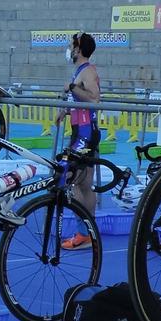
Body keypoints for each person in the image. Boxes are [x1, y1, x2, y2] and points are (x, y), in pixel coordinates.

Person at [57, 32, 101, 248]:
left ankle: (83, 233)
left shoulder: (88, 71)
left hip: (85, 133)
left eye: (70, 45)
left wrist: (72, 88)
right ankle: (88, 232)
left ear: (78, 49)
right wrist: (66, 110)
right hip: (82, 130)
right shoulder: (81, 71)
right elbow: (83, 102)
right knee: (84, 184)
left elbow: (94, 99)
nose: (68, 49)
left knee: (69, 176)